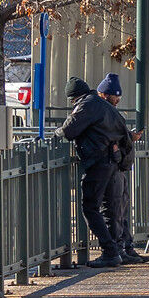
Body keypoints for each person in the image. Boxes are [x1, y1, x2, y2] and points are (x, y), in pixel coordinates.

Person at [61, 76, 128, 268]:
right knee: (108, 207)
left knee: (90, 207)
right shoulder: (101, 104)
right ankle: (116, 250)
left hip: (97, 162)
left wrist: (56, 133)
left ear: (75, 97)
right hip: (111, 162)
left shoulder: (87, 105)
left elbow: (68, 130)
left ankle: (110, 251)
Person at [97, 75, 145, 265]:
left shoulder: (109, 112)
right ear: (104, 94)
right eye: (114, 96)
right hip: (115, 167)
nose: (117, 100)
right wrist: (127, 140)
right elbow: (114, 137)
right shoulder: (108, 113)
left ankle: (124, 247)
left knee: (119, 210)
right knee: (115, 210)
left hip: (118, 167)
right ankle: (121, 249)